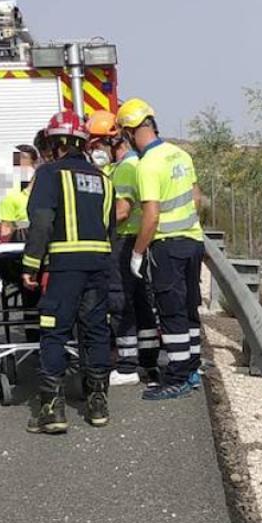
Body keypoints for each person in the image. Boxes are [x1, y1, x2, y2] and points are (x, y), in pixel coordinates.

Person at [21, 110, 116, 434]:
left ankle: (52, 409)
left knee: (54, 332)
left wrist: (31, 264)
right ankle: (98, 403)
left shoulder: (50, 174)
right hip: (99, 266)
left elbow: (42, 223)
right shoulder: (104, 179)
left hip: (64, 268)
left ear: (55, 143)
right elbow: (110, 229)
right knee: (95, 331)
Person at [116, 98, 205, 401]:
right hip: (193, 241)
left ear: (129, 132)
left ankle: (177, 376)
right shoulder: (180, 154)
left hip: (167, 246)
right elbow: (196, 198)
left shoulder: (147, 165)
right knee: (190, 310)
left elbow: (151, 216)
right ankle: (192, 369)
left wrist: (137, 253)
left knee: (171, 313)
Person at [86, 110, 156, 387]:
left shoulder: (126, 168)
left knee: (120, 300)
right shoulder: (132, 164)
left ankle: (127, 364)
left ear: (114, 142)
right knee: (140, 301)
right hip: (135, 240)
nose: (96, 151)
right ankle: (149, 359)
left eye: (98, 145)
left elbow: (123, 211)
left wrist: (91, 225)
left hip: (123, 240)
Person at [0, 144, 39, 242]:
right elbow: (6, 228)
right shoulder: (9, 194)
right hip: (23, 242)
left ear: (35, 164)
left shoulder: (48, 189)